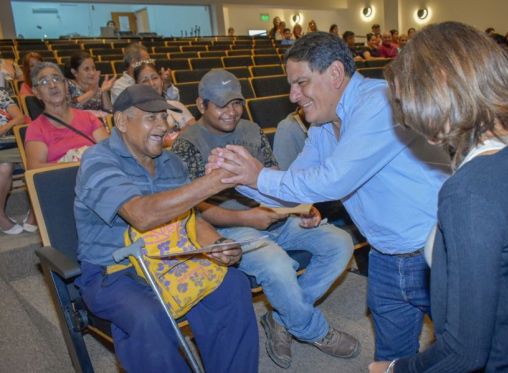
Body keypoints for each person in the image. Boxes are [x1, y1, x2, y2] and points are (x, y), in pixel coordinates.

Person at [206, 31, 448, 363]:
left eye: (300, 83)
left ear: (335, 73)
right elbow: (291, 191)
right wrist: (235, 176)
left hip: (436, 252)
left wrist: (256, 173)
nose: (293, 96)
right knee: (393, 358)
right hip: (386, 256)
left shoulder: (378, 102)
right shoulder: (322, 127)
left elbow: (333, 180)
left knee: (462, 353)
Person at [370, 21, 508, 373]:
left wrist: (396, 369)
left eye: (413, 105)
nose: (412, 121)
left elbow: (463, 352)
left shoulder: (470, 193)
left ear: (441, 91)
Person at [171, 69, 358, 369]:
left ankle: (281, 317)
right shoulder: (187, 144)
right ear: (201, 105)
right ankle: (313, 329)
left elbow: (273, 176)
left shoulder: (251, 129)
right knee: (277, 265)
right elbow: (194, 210)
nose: (231, 112)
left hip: (272, 214)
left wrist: (300, 208)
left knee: (339, 243)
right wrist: (246, 217)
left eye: (235, 103)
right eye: (221, 105)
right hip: (228, 228)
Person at [74, 84, 259, 373]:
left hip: (171, 258)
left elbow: (190, 218)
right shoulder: (98, 160)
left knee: (232, 285)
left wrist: (216, 243)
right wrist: (215, 181)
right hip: (114, 271)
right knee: (148, 316)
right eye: (152, 118)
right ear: (122, 121)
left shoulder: (170, 162)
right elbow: (141, 215)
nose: (163, 125)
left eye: (164, 117)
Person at [25, 62, 109, 169]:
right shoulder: (36, 128)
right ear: (36, 92)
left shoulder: (88, 117)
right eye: (44, 82)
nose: (52, 85)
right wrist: (76, 163)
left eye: (56, 79)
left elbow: (108, 150)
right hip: (65, 180)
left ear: (65, 85)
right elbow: (35, 168)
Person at [133, 62, 195, 146]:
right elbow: (153, 144)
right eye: (145, 80)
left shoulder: (176, 105)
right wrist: (182, 133)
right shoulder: (137, 114)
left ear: (161, 81)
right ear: (137, 87)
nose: (152, 84)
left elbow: (196, 131)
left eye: (155, 78)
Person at [111, 43, 179, 103]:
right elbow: (135, 108)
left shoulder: (153, 78)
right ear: (134, 62)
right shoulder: (119, 86)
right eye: (146, 61)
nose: (149, 64)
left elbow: (175, 100)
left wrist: (167, 86)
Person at [0, 88, 26, 234]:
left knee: (36, 158)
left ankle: (36, 214)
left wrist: (3, 129)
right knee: (4, 167)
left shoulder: (1, 94)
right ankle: (0, 216)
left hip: (9, 143)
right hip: (5, 147)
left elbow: (20, 118)